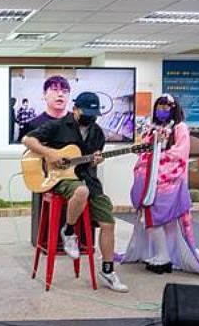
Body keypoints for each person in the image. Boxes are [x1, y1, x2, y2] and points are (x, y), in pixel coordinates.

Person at [22, 91, 128, 292]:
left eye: (94, 113)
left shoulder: (97, 133)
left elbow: (90, 160)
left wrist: (95, 159)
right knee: (81, 192)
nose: (90, 117)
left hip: (87, 178)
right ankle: (69, 231)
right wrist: (50, 153)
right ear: (75, 109)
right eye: (86, 112)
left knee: (108, 223)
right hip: (60, 179)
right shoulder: (58, 125)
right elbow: (28, 140)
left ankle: (107, 270)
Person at [120, 94, 199, 277]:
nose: (162, 109)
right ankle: (160, 254)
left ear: (174, 108)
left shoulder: (180, 127)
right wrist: (148, 150)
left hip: (167, 182)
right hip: (147, 179)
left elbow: (180, 151)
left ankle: (164, 256)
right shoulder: (152, 127)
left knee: (160, 218)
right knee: (150, 217)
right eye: (159, 106)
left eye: (166, 106)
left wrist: (159, 156)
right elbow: (144, 148)